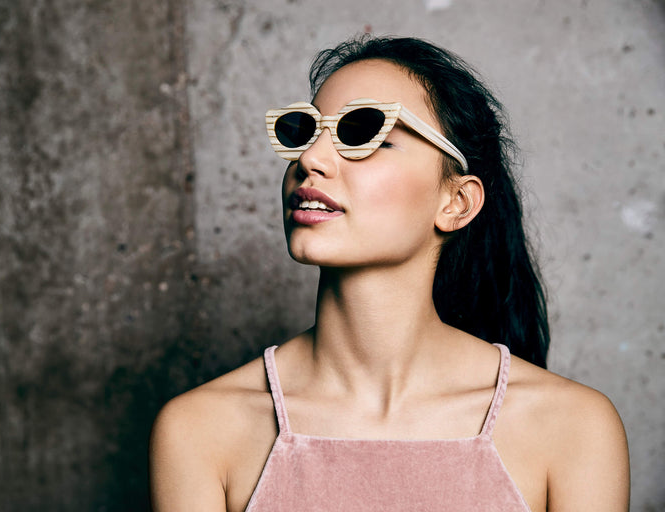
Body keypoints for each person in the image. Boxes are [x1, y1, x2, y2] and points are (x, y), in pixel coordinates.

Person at [149, 36, 629, 511]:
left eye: (361, 132)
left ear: (456, 202)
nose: (310, 159)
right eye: (305, 131)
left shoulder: (572, 428)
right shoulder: (201, 430)